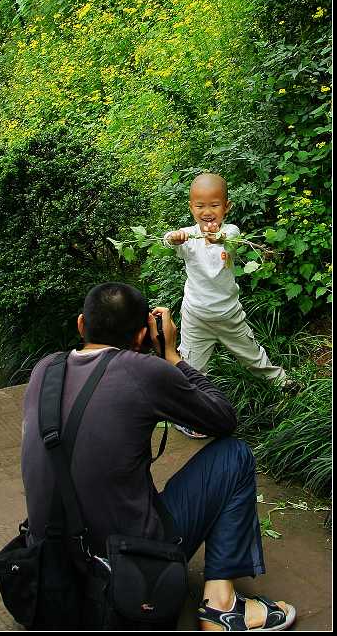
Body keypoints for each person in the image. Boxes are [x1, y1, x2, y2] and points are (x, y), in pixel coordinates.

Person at [21, 282, 296, 631]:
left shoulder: (46, 370)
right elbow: (223, 419)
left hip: (52, 563)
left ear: (80, 325)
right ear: (141, 335)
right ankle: (222, 608)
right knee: (235, 455)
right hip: (127, 565)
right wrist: (172, 356)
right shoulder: (143, 371)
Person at [164, 172, 289, 439]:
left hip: (229, 316)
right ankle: (192, 416)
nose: (207, 212)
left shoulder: (230, 232)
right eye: (200, 206)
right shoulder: (188, 237)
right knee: (192, 368)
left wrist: (219, 238)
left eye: (214, 205)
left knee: (252, 354)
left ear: (227, 207)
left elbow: (229, 239)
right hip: (196, 317)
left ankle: (282, 382)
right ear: (191, 207)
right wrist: (172, 238)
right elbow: (168, 239)